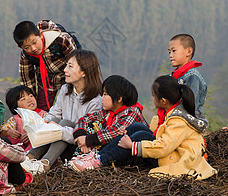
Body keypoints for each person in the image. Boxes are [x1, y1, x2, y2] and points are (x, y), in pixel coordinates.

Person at [70, 75, 217, 181]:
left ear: (163, 101)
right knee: (136, 127)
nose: (152, 99)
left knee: (140, 136)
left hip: (176, 160)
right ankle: (96, 157)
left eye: (154, 96)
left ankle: (100, 160)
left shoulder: (178, 121)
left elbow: (164, 147)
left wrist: (133, 146)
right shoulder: (170, 114)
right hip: (170, 154)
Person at [21, 49, 103, 175]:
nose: (65, 70)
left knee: (65, 123)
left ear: (84, 72)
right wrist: (44, 122)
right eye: (66, 65)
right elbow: (54, 113)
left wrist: (59, 130)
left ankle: (45, 164)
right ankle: (29, 158)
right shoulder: (65, 90)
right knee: (54, 120)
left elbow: (87, 135)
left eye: (70, 66)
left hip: (80, 148)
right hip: (61, 143)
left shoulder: (95, 101)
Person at [71, 75, 147, 157]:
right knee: (70, 124)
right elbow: (85, 119)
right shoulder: (107, 112)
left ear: (119, 98)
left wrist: (87, 140)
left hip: (130, 156)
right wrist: (81, 136)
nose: (102, 98)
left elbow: (115, 132)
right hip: (109, 151)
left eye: (105, 94)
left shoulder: (133, 111)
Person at [13, 20, 78, 111]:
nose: (33, 48)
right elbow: (27, 79)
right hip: (46, 81)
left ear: (40, 34)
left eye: (34, 42)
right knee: (42, 110)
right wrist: (30, 100)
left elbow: (76, 63)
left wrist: (76, 86)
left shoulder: (60, 39)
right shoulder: (25, 55)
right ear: (21, 47)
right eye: (27, 47)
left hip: (68, 76)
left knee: (72, 106)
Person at [168, 34, 207, 118]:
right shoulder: (173, 76)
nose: (171, 55)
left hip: (187, 121)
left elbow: (190, 107)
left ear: (189, 52)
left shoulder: (192, 76)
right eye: (169, 52)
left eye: (174, 51)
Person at [0, 85, 48, 152]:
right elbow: (1, 132)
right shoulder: (15, 119)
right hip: (21, 149)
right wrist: (9, 132)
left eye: (31, 96)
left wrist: (32, 134)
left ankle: (28, 158)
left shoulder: (43, 115)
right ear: (15, 105)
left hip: (38, 150)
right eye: (23, 99)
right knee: (10, 139)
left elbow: (49, 130)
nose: (29, 100)